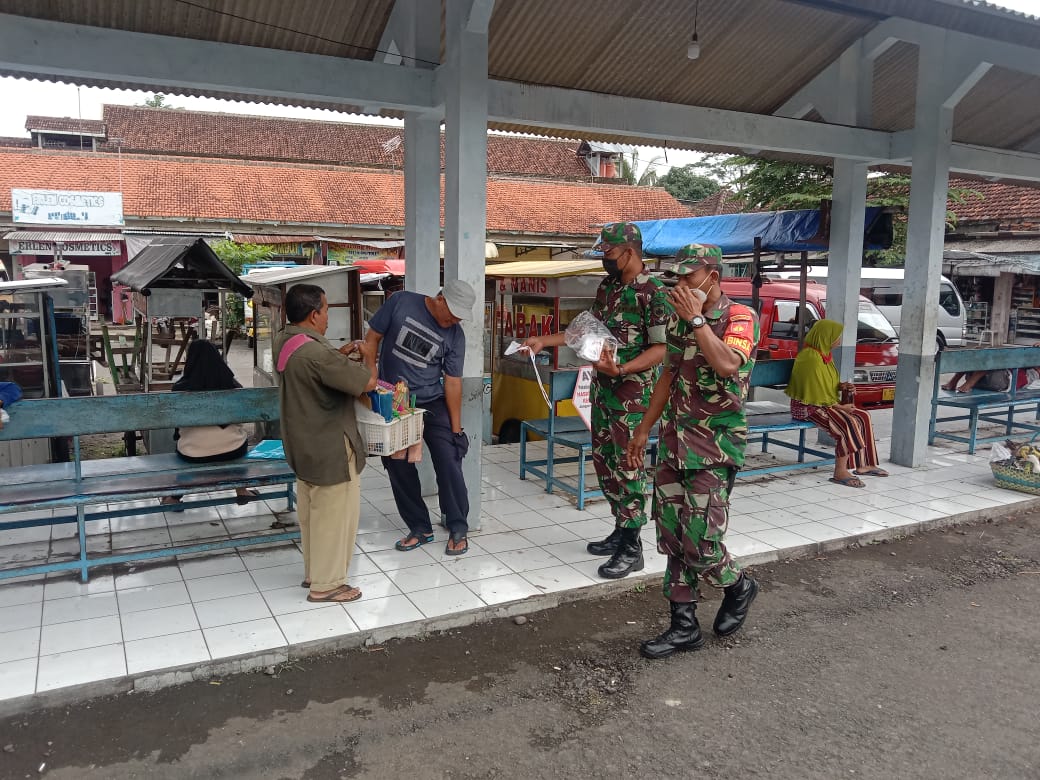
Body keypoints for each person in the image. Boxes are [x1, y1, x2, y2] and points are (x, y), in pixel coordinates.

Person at [626, 243, 760, 659]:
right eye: (677, 277)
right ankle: (683, 626)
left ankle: (738, 585)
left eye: (688, 277)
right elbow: (667, 375)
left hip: (715, 448)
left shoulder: (739, 317)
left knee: (701, 541)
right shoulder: (680, 321)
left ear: (712, 277)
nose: (680, 284)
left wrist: (697, 320)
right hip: (674, 444)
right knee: (670, 535)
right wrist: (641, 430)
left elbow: (727, 365)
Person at [275, 283, 377, 603]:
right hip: (330, 447)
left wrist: (340, 355)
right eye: (327, 311)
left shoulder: (285, 340)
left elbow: (318, 368)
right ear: (314, 314)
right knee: (335, 517)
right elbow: (368, 383)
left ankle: (314, 573)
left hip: (302, 444)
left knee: (312, 515)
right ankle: (327, 585)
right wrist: (369, 357)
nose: (328, 319)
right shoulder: (317, 353)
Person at [364, 279, 476, 556]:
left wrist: (456, 429)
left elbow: (452, 382)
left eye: (458, 318)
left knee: (449, 460)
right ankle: (419, 527)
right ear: (440, 299)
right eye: (451, 315)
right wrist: (371, 380)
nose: (452, 322)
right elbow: (373, 338)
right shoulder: (401, 302)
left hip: (432, 401)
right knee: (397, 465)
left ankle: (458, 525)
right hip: (395, 401)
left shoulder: (455, 336)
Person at [785, 319, 889, 488]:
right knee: (847, 422)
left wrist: (842, 386)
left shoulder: (823, 354)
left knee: (863, 416)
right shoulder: (810, 358)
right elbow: (815, 393)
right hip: (807, 407)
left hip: (824, 403)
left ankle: (865, 464)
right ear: (825, 336)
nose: (839, 340)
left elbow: (825, 384)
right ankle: (840, 471)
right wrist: (841, 407)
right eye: (836, 336)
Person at [159, 339, 257, 509]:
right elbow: (241, 419)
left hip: (192, 454)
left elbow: (177, 425)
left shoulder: (180, 389)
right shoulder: (232, 385)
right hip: (232, 451)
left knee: (183, 449)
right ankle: (242, 490)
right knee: (239, 441)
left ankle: (174, 498)